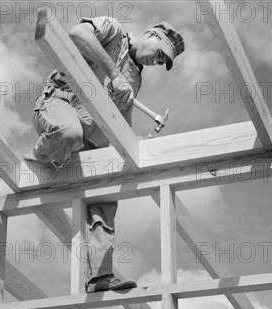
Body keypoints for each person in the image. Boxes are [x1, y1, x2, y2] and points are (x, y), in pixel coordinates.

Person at [24, 16, 185, 293]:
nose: (157, 62)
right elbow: (78, 34)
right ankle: (35, 166)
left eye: (162, 62)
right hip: (59, 104)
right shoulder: (113, 30)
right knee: (68, 132)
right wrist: (114, 74)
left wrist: (133, 146)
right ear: (151, 34)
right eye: (159, 54)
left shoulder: (134, 80)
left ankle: (99, 275)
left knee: (107, 192)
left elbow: (121, 122)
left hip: (89, 139)